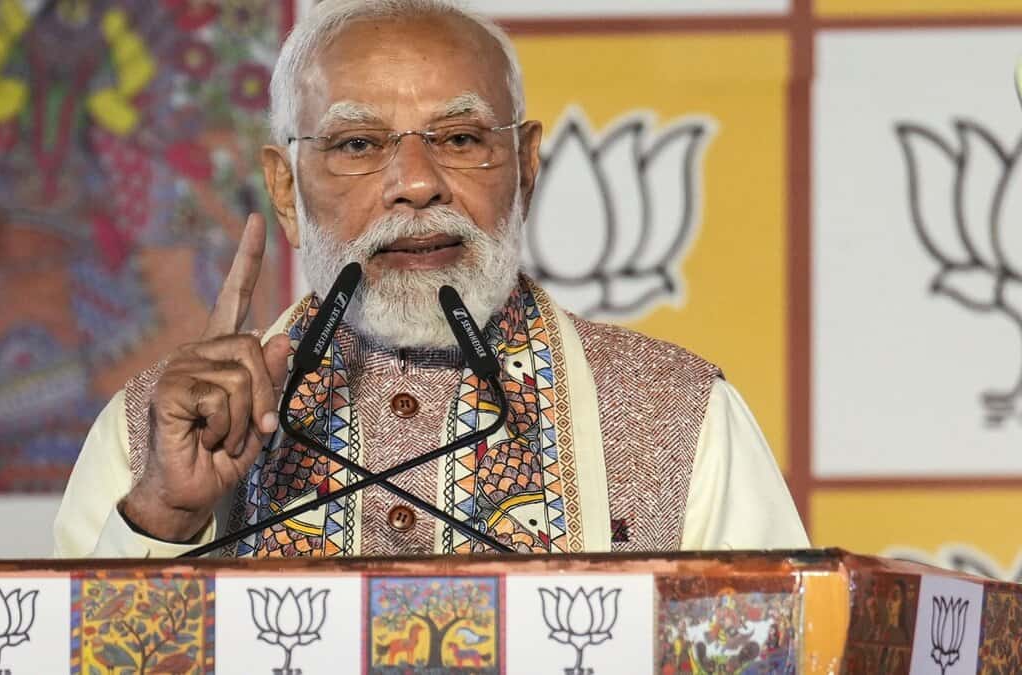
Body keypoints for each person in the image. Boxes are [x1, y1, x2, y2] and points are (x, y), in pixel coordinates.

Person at [54, 0, 808, 558]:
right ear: (285, 190)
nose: (416, 183)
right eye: (357, 143)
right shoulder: (150, 432)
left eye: (459, 138)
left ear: (525, 168)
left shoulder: (679, 415)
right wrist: (163, 518)